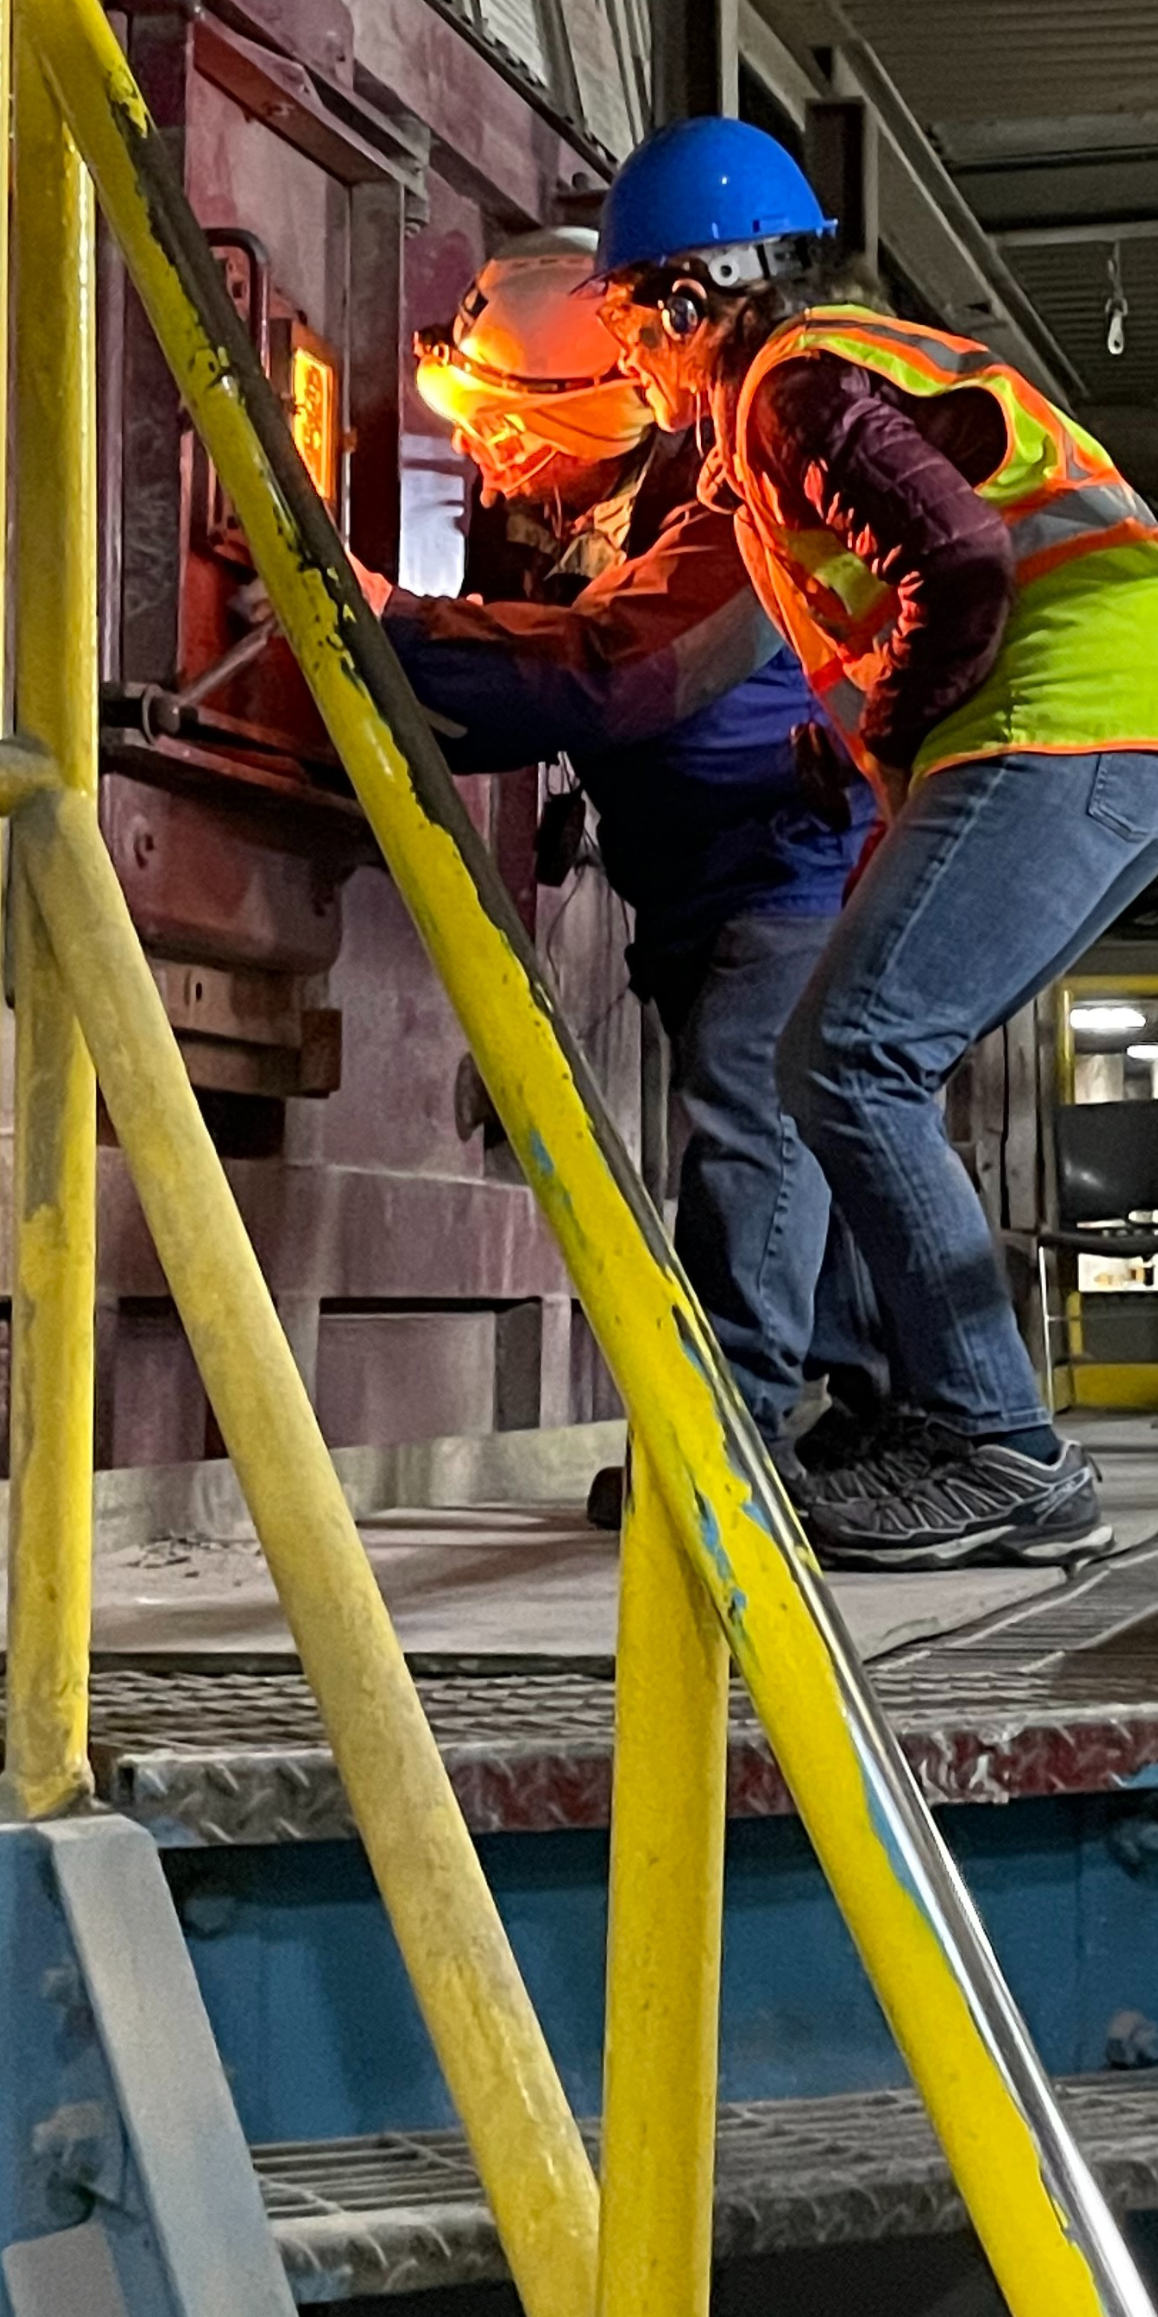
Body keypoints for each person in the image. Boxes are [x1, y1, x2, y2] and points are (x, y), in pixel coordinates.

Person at [572, 117, 1158, 1568]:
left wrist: (896, 724)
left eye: (632, 323)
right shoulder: (812, 401)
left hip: (1072, 717)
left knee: (850, 1058)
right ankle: (906, 1422)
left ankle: (994, 1444)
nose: (630, 364)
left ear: (693, 300)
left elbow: (964, 561)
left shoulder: (794, 391)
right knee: (855, 1057)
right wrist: (856, 741)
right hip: (1123, 721)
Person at [380, 238, 898, 1509]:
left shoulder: (724, 509)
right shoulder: (586, 518)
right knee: (797, 1141)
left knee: (754, 1132)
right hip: (711, 885)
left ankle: (732, 1452)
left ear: (608, 402)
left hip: (790, 868)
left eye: (507, 420)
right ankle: (882, 1417)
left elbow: (612, 675)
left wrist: (385, 619)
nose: (488, 451)